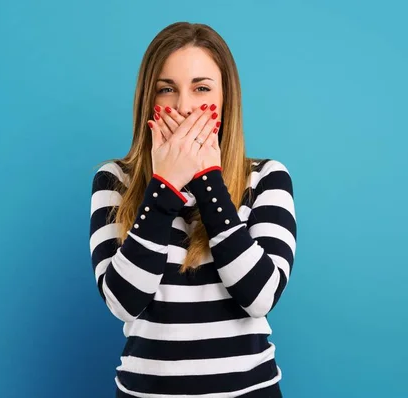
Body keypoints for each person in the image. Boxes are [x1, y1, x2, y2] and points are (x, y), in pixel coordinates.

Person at [89, 21, 297, 398]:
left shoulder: (266, 178)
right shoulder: (114, 180)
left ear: (225, 98)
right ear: (147, 100)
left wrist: (206, 179)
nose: (183, 107)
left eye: (201, 88)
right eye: (167, 89)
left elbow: (261, 297)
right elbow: (123, 302)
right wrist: (164, 187)